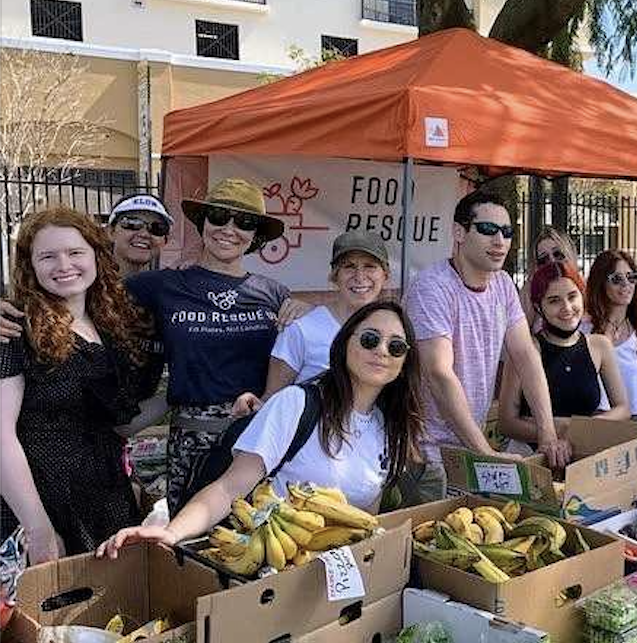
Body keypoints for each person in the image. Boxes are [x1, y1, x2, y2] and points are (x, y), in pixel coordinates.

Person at [96, 301, 422, 557]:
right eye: (369, 339)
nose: (381, 350)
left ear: (405, 361)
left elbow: (366, 517)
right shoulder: (296, 404)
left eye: (396, 347)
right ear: (344, 343)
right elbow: (230, 487)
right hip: (275, 569)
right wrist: (172, 532)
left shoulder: (390, 428)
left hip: (340, 576)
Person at [124, 178, 306, 515]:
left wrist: (306, 311)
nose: (229, 228)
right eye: (219, 216)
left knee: (259, 538)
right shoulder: (163, 286)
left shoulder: (275, 293)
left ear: (256, 235)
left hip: (256, 439)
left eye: (245, 222)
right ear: (203, 223)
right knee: (189, 545)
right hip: (192, 444)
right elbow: (80, 294)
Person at [1, 207, 149, 562]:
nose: (63, 265)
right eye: (48, 256)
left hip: (105, 503)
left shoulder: (109, 327)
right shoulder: (14, 330)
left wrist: (184, 398)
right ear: (30, 266)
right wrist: (38, 528)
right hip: (40, 507)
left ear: (96, 256)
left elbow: (118, 424)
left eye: (75, 252)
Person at [404, 190, 567, 503]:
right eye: (488, 230)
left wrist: (547, 433)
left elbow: (525, 356)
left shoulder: (503, 283)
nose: (500, 241)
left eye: (507, 232)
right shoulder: (431, 287)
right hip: (427, 457)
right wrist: (486, 453)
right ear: (459, 233)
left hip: (471, 452)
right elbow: (439, 373)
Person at [235, 231, 390, 412]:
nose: (360, 276)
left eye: (370, 266)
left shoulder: (395, 332)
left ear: (385, 276)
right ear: (334, 275)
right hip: (315, 438)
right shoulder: (300, 327)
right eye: (349, 266)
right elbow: (273, 401)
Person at [0, 193, 173, 334]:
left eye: (157, 228)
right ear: (110, 231)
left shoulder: (170, 293)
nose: (144, 233)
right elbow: (29, 305)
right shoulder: (78, 283)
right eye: (132, 223)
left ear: (165, 241)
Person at [499, 263, 629, 450]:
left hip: (584, 453)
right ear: (538, 307)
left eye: (572, 296)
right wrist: (553, 434)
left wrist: (578, 429)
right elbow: (507, 423)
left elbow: (623, 409)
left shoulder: (599, 345)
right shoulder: (526, 350)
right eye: (554, 300)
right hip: (532, 456)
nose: (567, 307)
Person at [584, 249, 637, 422]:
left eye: (631, 277)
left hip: (634, 423)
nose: (626, 284)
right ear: (601, 283)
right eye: (616, 279)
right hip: (594, 422)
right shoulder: (583, 329)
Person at [519, 226, 579, 323]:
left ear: (569, 253)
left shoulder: (588, 289)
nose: (552, 261)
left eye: (557, 254)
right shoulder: (529, 294)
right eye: (543, 260)